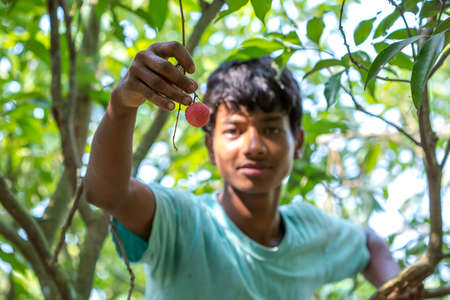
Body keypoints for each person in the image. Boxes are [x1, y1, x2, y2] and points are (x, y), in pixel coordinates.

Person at [85, 41, 424, 299]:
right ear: (210, 148)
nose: (254, 146)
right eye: (233, 130)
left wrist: (396, 284)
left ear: (299, 141)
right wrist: (122, 102)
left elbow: (369, 242)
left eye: (272, 129)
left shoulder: (310, 229)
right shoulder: (183, 221)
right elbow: (106, 192)